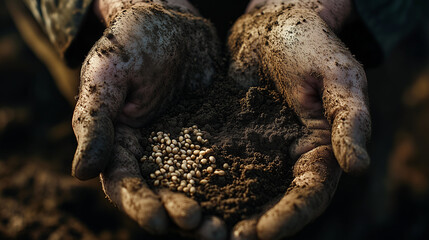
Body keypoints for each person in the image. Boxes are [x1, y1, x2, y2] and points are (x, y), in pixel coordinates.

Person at [5, 0, 427, 239]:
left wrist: (319, 9)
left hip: (337, 21)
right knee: (113, 102)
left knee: (349, 133)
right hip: (123, 25)